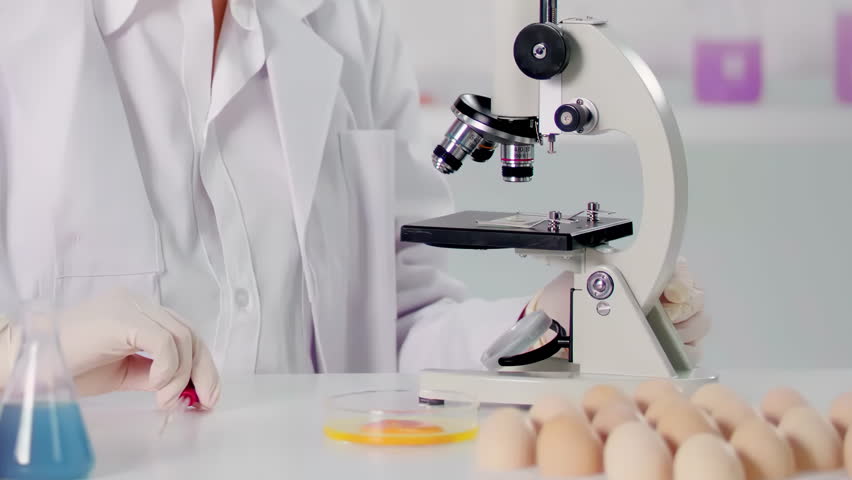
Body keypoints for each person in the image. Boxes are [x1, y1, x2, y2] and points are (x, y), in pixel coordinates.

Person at [0, 0, 709, 410]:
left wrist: (544, 327)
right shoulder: (22, 33)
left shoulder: (347, 21)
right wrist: (25, 358)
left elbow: (394, 332)